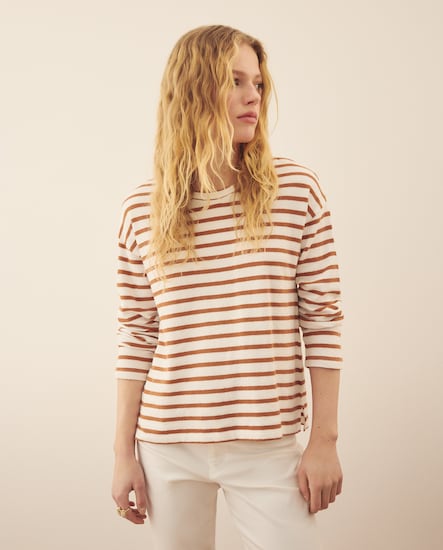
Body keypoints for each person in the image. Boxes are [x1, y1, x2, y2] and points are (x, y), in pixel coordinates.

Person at [112, 24, 343, 550]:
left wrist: (324, 440)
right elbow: (136, 334)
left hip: (267, 444)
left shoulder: (296, 191)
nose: (253, 96)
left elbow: (323, 318)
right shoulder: (140, 210)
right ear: (194, 90)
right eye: (235, 81)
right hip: (167, 445)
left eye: (257, 83)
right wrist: (123, 453)